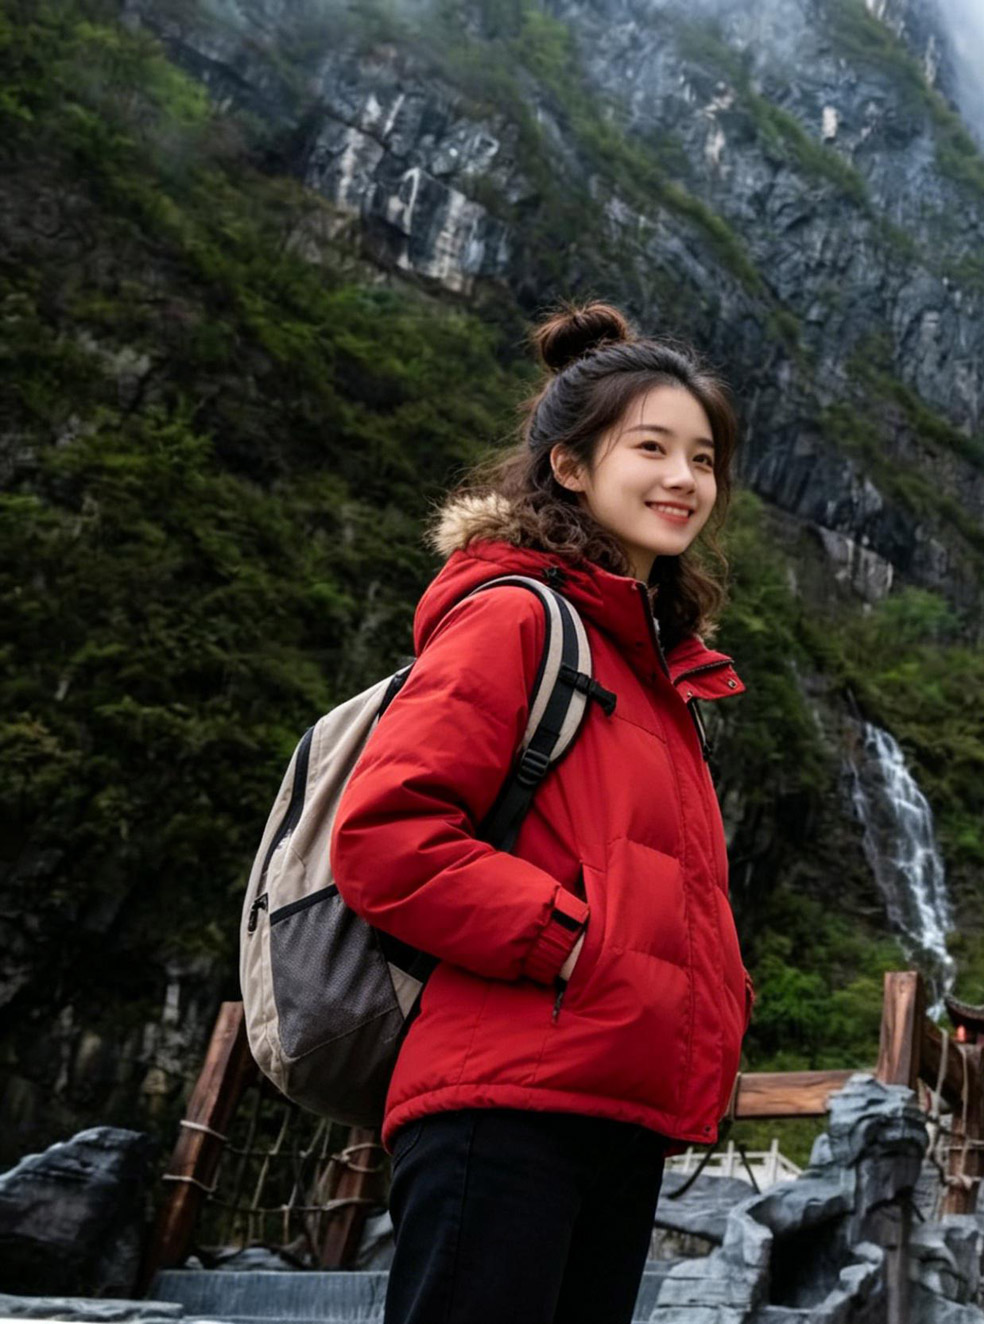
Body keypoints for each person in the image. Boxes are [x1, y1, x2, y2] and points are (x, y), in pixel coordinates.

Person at [330, 301, 753, 1324]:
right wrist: (571, 943)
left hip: (616, 1104)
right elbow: (387, 838)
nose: (684, 479)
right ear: (570, 466)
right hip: (502, 1102)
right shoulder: (515, 616)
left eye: (702, 459)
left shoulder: (658, 673)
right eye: (650, 448)